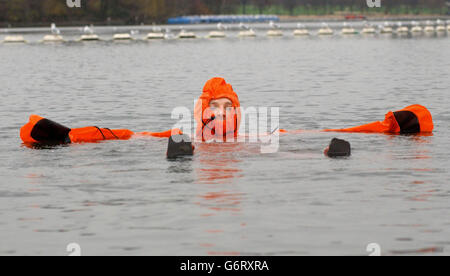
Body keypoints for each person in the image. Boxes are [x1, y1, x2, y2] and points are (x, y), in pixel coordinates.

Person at [19, 77, 434, 146]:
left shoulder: (257, 134)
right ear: (201, 109)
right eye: (214, 106)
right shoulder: (186, 136)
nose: (219, 112)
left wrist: (387, 128)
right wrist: (69, 135)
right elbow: (128, 136)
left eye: (226, 106)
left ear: (236, 110)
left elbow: (318, 131)